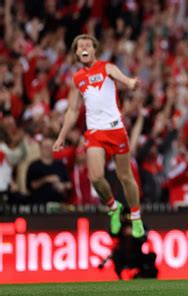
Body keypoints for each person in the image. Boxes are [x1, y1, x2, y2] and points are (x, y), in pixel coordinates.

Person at [53, 34, 145, 238]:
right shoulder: (77, 79)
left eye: (87, 45)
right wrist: (61, 137)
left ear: (94, 50)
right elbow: (73, 111)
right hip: (95, 132)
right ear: (77, 53)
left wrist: (130, 83)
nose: (84, 48)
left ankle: (136, 216)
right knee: (95, 177)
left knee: (125, 177)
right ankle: (114, 207)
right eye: (80, 46)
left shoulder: (107, 67)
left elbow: (123, 79)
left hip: (115, 129)